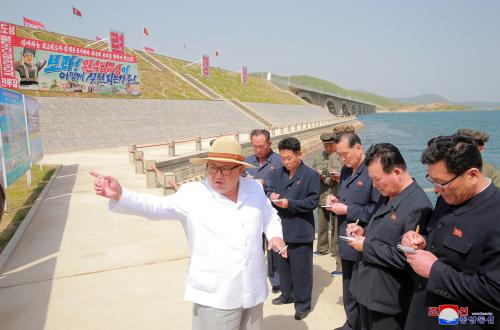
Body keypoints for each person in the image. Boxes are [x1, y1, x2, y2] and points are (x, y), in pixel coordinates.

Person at [91, 137, 287, 330]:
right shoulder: (193, 194)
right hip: (216, 294)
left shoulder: (253, 188)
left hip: (252, 288)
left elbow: (269, 216)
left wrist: (275, 235)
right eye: (212, 167)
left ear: (240, 170)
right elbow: (156, 207)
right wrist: (120, 194)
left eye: (225, 169)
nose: (217, 175)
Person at [402, 134, 500, 329]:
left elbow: (494, 293)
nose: (437, 189)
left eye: (442, 182)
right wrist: (422, 240)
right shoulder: (449, 196)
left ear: (472, 175)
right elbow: (440, 242)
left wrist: (435, 271)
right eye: (432, 180)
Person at [347, 143, 433, 329]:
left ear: (396, 172)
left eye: (378, 180)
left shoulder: (418, 205)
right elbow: (382, 232)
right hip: (366, 291)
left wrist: (366, 245)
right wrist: (362, 232)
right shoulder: (387, 194)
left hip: (387, 301)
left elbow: (408, 259)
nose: (375, 185)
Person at [326, 130, 380, 330]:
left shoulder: (372, 171)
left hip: (363, 239)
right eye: (339, 155)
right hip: (344, 236)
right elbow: (347, 199)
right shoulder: (346, 170)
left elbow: (377, 209)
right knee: (348, 285)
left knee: (361, 287)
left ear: (358, 147)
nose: (342, 159)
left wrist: (347, 209)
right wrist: (336, 201)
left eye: (344, 154)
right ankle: (351, 323)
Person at [266, 137, 320, 321]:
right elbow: (268, 189)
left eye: (289, 158)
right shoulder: (277, 172)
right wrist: (271, 194)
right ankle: (286, 294)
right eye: (282, 158)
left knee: (301, 271)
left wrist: (289, 204)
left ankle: (303, 303)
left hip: (300, 229)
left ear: (300, 154)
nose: (286, 162)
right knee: (283, 267)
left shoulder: (310, 175)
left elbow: (313, 201)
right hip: (281, 229)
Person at [244, 129, 283, 293]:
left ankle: (277, 279)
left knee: (274, 246)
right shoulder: (247, 162)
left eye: (261, 146)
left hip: (273, 210)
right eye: (255, 146)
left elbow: (284, 182)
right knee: (253, 246)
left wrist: (263, 183)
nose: (258, 150)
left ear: (269, 144)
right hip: (252, 210)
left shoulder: (279, 161)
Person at [312, 132, 343, 277]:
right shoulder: (319, 157)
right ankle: (322, 247)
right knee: (323, 224)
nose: (328, 148)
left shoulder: (340, 157)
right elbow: (314, 172)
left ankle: (335, 252)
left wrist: (334, 177)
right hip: (323, 195)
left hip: (337, 195)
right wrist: (318, 175)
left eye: (330, 145)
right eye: (326, 146)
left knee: (336, 228)